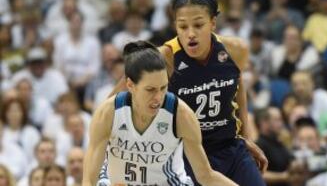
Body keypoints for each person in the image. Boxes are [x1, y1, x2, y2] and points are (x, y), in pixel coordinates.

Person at [111, 0, 267, 186]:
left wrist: (246, 137)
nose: (190, 34)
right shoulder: (164, 58)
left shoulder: (236, 50)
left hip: (232, 149)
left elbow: (238, 84)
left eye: (199, 25)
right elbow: (113, 102)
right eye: (183, 26)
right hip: (187, 155)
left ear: (213, 23)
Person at [83, 41, 238, 186]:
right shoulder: (108, 113)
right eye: (150, 90)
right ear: (130, 85)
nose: (158, 97)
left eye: (163, 88)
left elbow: (206, 175)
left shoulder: (181, 115)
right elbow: (89, 179)